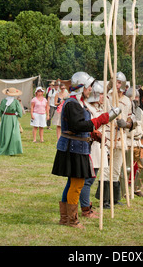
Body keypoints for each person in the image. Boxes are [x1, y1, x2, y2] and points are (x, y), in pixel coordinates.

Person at [51, 71, 121, 228]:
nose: (91, 89)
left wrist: (93, 133)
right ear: (81, 87)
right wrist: (102, 120)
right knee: (76, 185)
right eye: (89, 87)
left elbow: (81, 125)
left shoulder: (78, 103)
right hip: (74, 149)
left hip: (78, 147)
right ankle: (71, 219)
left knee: (72, 184)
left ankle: (65, 218)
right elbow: (77, 126)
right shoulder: (72, 103)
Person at [96, 71, 132, 209]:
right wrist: (108, 85)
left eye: (119, 82)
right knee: (105, 168)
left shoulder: (127, 101)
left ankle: (114, 198)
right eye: (116, 82)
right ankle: (104, 199)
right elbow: (101, 95)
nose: (118, 85)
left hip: (120, 137)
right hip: (107, 135)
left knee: (116, 169)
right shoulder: (107, 97)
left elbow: (130, 118)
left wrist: (126, 123)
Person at [79, 81, 109, 219]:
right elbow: (89, 127)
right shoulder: (87, 109)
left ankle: (87, 205)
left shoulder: (98, 108)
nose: (103, 96)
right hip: (91, 147)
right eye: (101, 94)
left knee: (91, 179)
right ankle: (85, 209)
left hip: (99, 147)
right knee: (88, 180)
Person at [0, 87, 23, 156]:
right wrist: (17, 115)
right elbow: (20, 112)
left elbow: (1, 111)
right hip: (13, 119)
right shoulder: (15, 102)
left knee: (5, 134)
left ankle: (4, 149)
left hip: (5, 118)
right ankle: (12, 150)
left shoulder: (3, 101)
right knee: (14, 134)